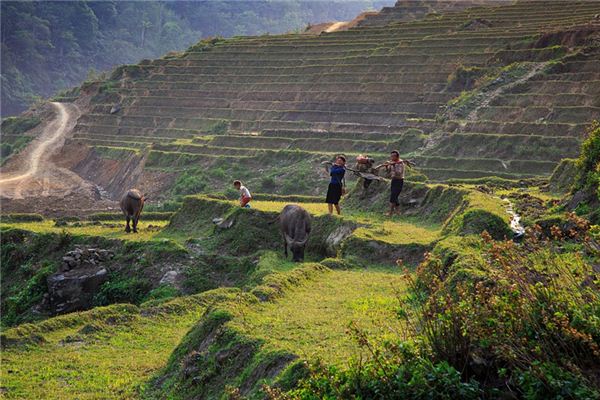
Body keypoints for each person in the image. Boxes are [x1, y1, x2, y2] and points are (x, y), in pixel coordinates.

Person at [375, 150, 408, 216]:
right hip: (393, 181)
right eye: (391, 156)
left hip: (399, 181)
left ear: (397, 157)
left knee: (393, 197)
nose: (392, 157)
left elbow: (399, 173)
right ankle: (398, 212)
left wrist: (394, 165)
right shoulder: (392, 162)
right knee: (395, 197)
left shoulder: (400, 163)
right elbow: (388, 172)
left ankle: (390, 213)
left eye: (393, 156)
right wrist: (387, 166)